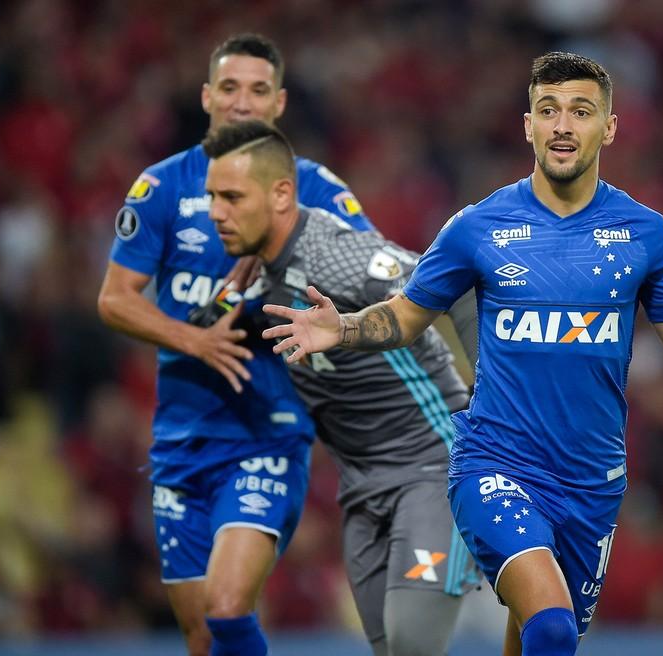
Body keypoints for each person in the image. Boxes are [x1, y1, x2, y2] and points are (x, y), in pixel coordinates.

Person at [261, 51, 663, 656]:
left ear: (608, 127)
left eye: (581, 110)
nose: (563, 124)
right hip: (495, 463)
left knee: (538, 633)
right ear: (528, 124)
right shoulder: (477, 227)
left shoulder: (646, 234)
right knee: (553, 627)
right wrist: (342, 329)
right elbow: (405, 316)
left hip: (591, 484)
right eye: (549, 110)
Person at [97, 33, 372, 656]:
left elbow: (371, 276)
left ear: (277, 104)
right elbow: (114, 298)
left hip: (268, 433)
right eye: (228, 88)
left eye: (256, 90)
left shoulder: (313, 188)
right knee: (200, 635)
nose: (241, 102)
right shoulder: (163, 187)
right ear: (206, 97)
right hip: (181, 440)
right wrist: (194, 339)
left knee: (226, 608)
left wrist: (295, 266)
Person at [195, 120, 480, 655]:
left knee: (414, 644)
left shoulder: (337, 257)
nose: (216, 212)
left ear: (281, 195)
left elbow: (458, 284)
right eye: (212, 197)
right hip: (361, 488)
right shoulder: (252, 277)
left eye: (232, 197)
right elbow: (208, 333)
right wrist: (221, 307)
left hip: (435, 467)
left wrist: (495, 405)